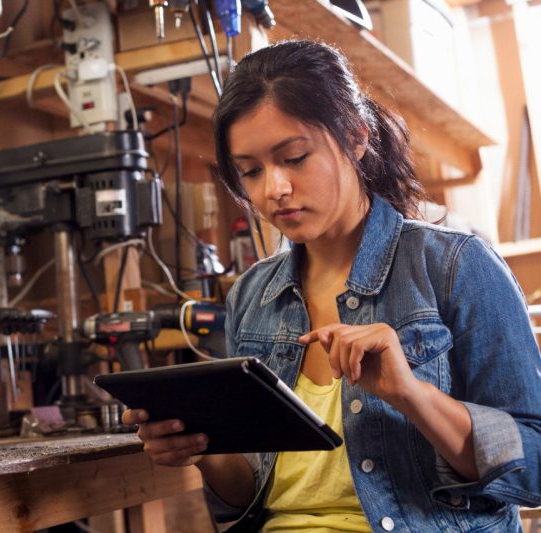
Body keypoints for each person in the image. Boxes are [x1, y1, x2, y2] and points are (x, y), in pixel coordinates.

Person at [122, 39, 541, 532]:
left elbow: (533, 466)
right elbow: (254, 495)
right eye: (251, 171)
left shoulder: (454, 266)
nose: (273, 189)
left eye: (295, 157)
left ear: (356, 136)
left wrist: (412, 395)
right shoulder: (251, 296)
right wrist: (201, 449)